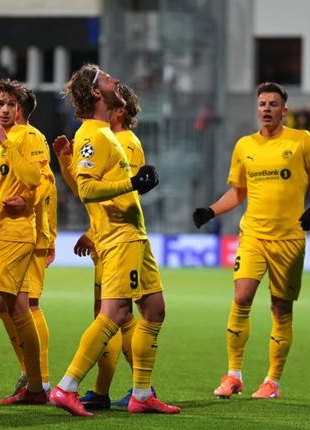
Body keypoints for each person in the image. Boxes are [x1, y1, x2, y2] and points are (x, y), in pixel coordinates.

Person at [48, 64, 179, 416]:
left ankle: (142, 394)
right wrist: (133, 183)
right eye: (106, 79)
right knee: (115, 312)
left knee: (154, 309)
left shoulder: (104, 134)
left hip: (133, 235)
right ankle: (67, 387)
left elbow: (90, 187)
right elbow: (88, 190)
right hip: (118, 237)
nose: (115, 80)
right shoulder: (95, 135)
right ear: (95, 92)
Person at [193, 81, 310, 399]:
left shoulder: (301, 140)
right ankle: (233, 375)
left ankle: (272, 381)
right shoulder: (245, 145)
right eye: (262, 104)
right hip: (253, 235)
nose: (267, 109)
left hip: (289, 239)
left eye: (273, 104)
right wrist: (211, 211)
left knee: (280, 308)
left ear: (284, 110)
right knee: (242, 297)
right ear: (257, 109)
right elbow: (238, 192)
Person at [0, 87, 57, 397]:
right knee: (19, 309)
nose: (5, 109)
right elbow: (0, 195)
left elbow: (35, 179)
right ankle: (36, 385)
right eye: (0, 103)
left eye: (11, 104)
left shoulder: (27, 137)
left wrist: (7, 143)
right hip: (3, 232)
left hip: (17, 234)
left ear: (19, 108)